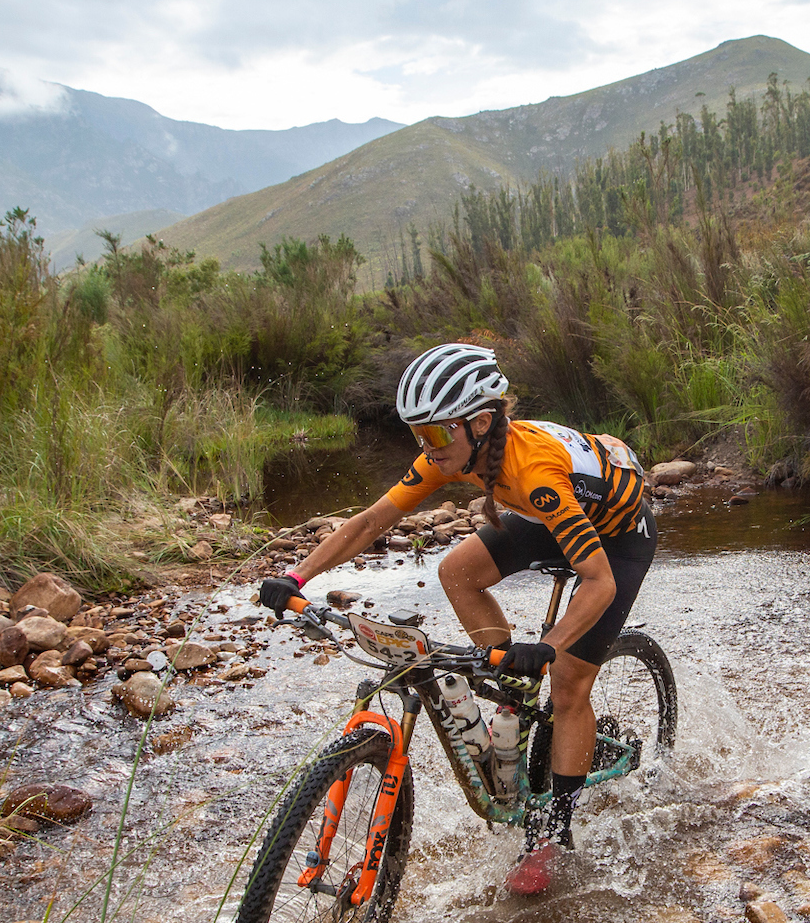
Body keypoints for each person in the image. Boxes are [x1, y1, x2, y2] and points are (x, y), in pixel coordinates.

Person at [256, 342, 656, 888]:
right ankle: (511, 682)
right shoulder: (457, 452)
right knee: (456, 571)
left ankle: (556, 836)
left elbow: (599, 580)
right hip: (555, 516)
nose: (427, 447)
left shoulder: (532, 471)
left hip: (617, 540)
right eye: (418, 435)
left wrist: (550, 645)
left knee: (567, 682)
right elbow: (372, 521)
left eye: (437, 434)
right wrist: (297, 577)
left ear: (482, 423)